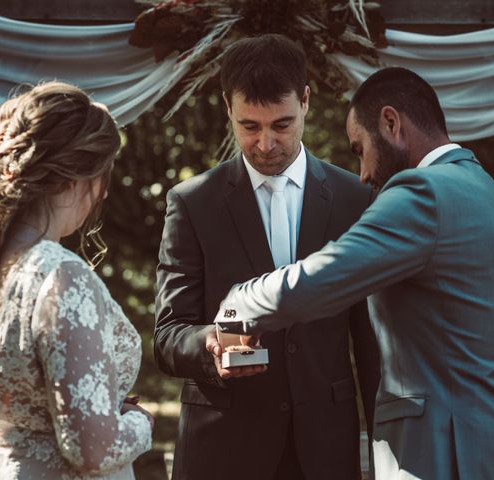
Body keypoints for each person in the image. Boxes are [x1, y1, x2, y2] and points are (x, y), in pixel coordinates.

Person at [215, 67, 494, 480]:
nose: (364, 174)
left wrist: (239, 300)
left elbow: (323, 280)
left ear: (390, 123)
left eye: (359, 149)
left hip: (439, 459)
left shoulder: (423, 194)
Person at [154, 34, 379, 480]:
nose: (265, 143)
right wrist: (211, 345)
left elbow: (373, 343)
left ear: (307, 101)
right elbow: (167, 335)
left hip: (324, 449)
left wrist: (389, 452)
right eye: (249, 126)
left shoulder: (356, 199)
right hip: (222, 449)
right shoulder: (192, 202)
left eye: (281, 124)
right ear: (227, 107)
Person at [0, 82, 154, 479]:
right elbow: (92, 450)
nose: (102, 195)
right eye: (103, 175)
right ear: (75, 178)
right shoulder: (60, 276)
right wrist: (140, 422)